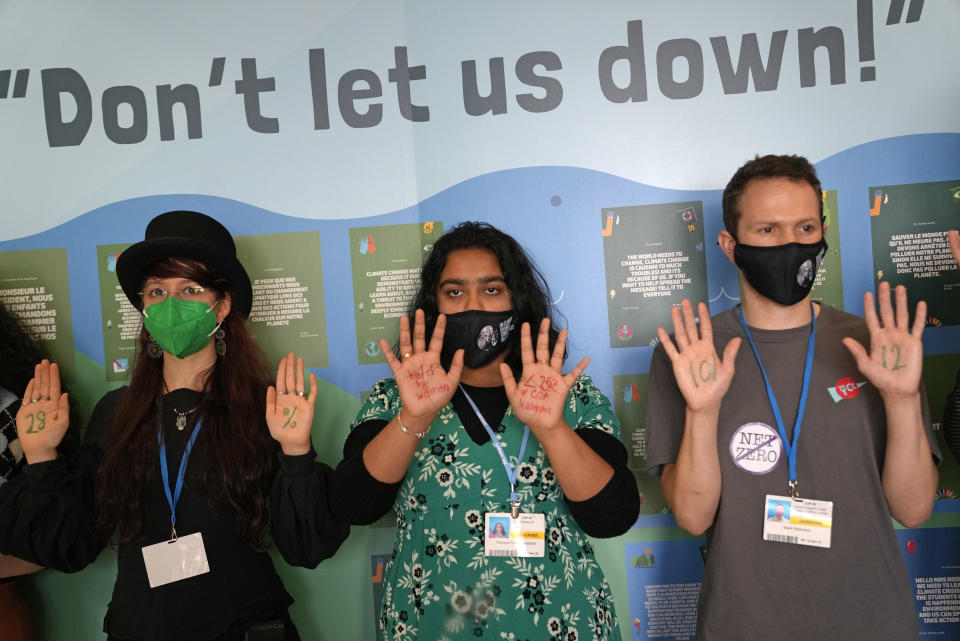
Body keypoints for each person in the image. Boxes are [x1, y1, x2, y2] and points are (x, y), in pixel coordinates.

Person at [0, 210, 348, 641]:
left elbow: (306, 547)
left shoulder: (268, 407)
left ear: (221, 306)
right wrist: (41, 458)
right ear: (143, 308)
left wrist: (296, 453)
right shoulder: (117, 412)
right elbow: (73, 546)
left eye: (190, 289)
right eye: (157, 291)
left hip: (246, 629)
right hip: (140, 628)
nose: (171, 304)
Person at [645, 155, 940, 640]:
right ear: (730, 245)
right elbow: (694, 516)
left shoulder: (879, 345)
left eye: (805, 227)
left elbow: (913, 509)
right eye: (767, 230)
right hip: (740, 625)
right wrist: (702, 410)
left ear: (823, 233)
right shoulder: (689, 354)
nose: (791, 244)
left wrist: (902, 399)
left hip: (872, 622)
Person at [332, 222, 640, 640]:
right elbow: (354, 505)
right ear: (434, 304)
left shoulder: (572, 396)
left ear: (518, 299)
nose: (472, 305)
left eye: (492, 289)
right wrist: (416, 417)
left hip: (563, 624)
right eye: (454, 292)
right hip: (429, 627)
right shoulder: (394, 399)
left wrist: (552, 428)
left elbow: (613, 516)